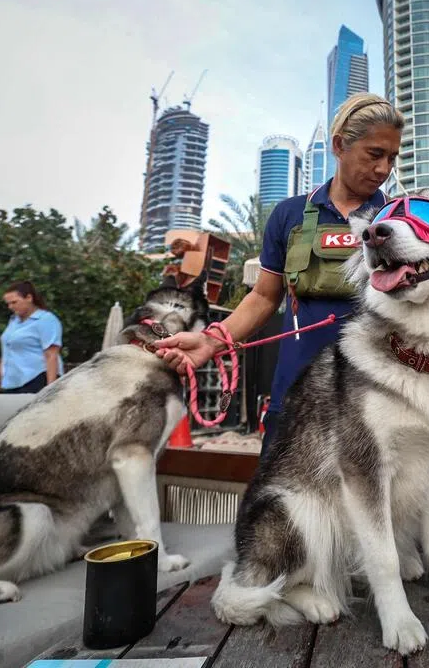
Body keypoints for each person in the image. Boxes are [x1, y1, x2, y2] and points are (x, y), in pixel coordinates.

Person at [154, 93, 404, 453]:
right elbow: (264, 296)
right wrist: (211, 341)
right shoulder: (290, 215)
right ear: (339, 146)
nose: (384, 169)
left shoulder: (402, 221)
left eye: (391, 158)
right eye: (374, 154)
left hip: (379, 401)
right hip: (296, 396)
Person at [0, 281, 64, 394]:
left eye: (14, 302)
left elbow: (51, 354)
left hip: (36, 379)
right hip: (12, 382)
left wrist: (50, 389)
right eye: (8, 304)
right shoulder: (14, 321)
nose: (10, 307)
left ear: (29, 298)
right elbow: (7, 353)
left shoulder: (46, 319)